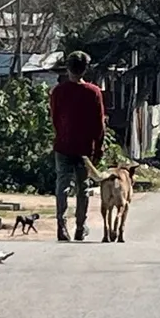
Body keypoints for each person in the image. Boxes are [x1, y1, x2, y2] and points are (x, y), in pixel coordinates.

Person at [49, 50, 106, 242]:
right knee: (83, 188)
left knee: (62, 185)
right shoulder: (93, 92)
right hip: (84, 149)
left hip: (63, 145)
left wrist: (62, 134)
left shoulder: (58, 91)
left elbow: (55, 118)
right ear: (85, 69)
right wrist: (98, 148)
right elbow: (99, 123)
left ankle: (61, 225)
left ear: (68, 68)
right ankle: (80, 227)